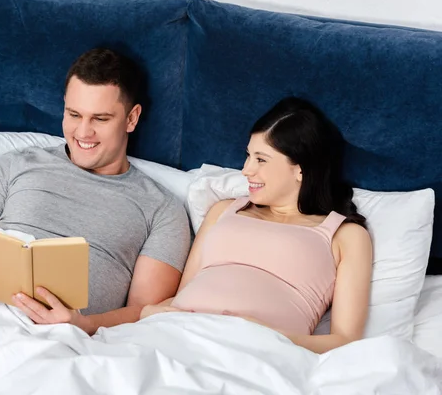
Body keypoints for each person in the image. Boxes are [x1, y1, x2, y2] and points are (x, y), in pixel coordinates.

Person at [0, 48, 191, 335]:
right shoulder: (20, 163)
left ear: (131, 118)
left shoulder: (162, 209)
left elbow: (145, 312)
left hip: (61, 338)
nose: (83, 132)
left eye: (100, 119)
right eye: (74, 114)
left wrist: (84, 325)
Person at [141, 97, 373, 354]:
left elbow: (345, 341)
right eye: (248, 156)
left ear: (301, 169)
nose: (246, 170)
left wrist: (266, 335)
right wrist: (150, 311)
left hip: (255, 352)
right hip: (173, 335)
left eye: (261, 160)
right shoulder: (223, 211)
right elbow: (183, 294)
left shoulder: (345, 235)